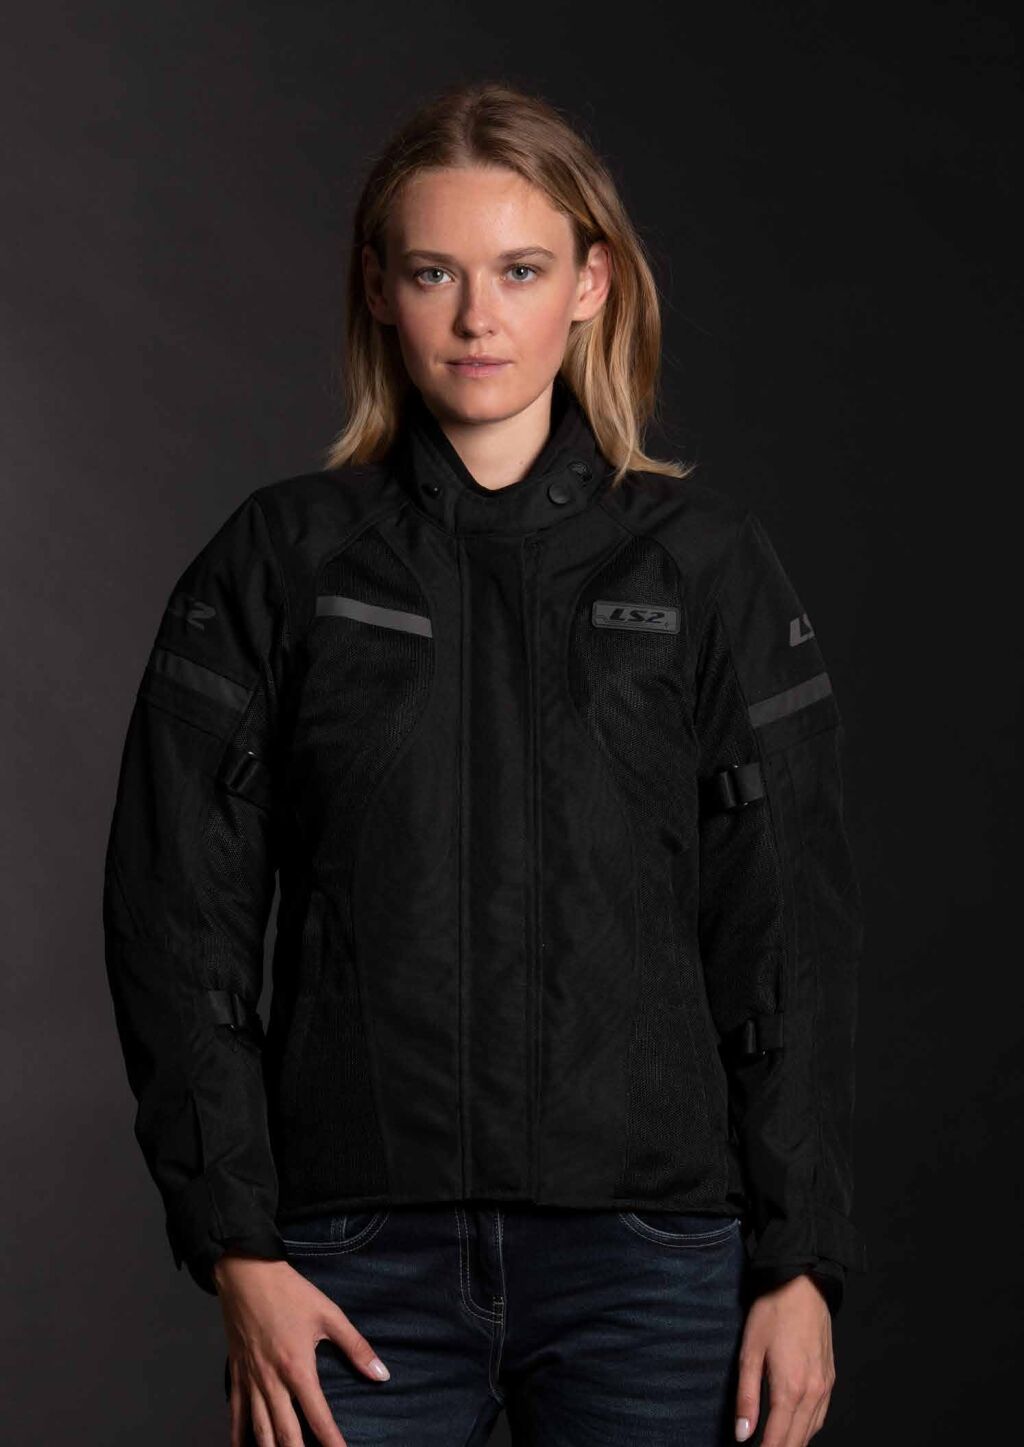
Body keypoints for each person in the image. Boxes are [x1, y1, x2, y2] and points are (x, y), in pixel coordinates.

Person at [102, 80, 868, 1447]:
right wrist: (238, 1247)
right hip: (351, 1262)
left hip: (654, 1268)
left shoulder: (705, 569)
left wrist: (798, 1261)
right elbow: (177, 917)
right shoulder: (280, 560)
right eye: (434, 273)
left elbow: (789, 930)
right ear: (378, 289)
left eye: (519, 270)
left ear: (590, 283)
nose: (476, 318)